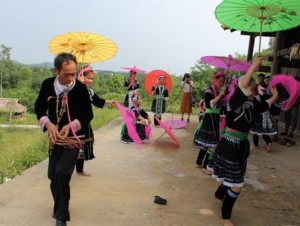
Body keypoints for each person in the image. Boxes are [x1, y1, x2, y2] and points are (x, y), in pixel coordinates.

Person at [207, 56, 278, 226]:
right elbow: (241, 86)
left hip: (242, 146)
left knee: (233, 175)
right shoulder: (233, 102)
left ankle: (219, 193)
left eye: (252, 86)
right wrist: (253, 66)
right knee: (237, 183)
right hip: (229, 144)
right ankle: (225, 216)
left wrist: (275, 96)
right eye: (249, 85)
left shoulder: (252, 104)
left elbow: (266, 105)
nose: (251, 88)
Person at [34, 53, 94, 226]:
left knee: (61, 172)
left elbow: (87, 115)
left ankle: (61, 216)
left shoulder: (80, 89)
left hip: (74, 139)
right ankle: (62, 203)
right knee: (54, 176)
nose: (70, 78)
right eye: (66, 74)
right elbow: (39, 109)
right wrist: (49, 124)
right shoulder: (47, 85)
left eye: (73, 74)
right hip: (55, 139)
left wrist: (71, 125)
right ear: (56, 70)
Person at [76, 66, 114, 176]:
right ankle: (65, 171)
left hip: (85, 123)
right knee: (72, 146)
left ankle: (79, 170)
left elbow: (97, 101)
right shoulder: (72, 88)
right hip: (73, 122)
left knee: (83, 145)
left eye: (92, 79)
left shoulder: (90, 92)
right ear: (81, 76)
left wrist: (109, 102)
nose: (90, 81)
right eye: (88, 78)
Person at [194, 71, 226, 173]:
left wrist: (222, 93)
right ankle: (205, 166)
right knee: (212, 144)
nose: (221, 83)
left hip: (215, 117)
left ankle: (198, 163)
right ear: (214, 80)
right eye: (220, 81)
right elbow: (209, 104)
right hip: (210, 117)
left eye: (223, 81)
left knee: (206, 144)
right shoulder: (209, 91)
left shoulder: (218, 90)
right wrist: (220, 95)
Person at [250, 84, 277, 152]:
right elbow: (272, 107)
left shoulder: (256, 98)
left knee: (255, 132)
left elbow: (254, 108)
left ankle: (256, 145)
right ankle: (269, 143)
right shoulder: (269, 97)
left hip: (258, 117)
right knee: (264, 132)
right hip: (267, 116)